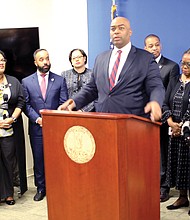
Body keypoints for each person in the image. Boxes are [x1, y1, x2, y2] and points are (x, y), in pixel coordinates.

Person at [58, 17, 165, 123]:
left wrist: (155, 101)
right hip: (103, 122)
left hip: (132, 124)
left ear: (130, 32)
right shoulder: (101, 58)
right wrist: (74, 101)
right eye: (113, 29)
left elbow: (156, 86)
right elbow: (92, 88)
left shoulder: (145, 58)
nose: (116, 32)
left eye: (121, 28)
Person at [22, 49, 68, 201]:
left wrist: (52, 119)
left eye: (47, 59)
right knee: (39, 159)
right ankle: (41, 188)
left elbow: (63, 103)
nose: (45, 62)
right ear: (36, 62)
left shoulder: (60, 80)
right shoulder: (26, 82)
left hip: (56, 129)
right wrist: (38, 119)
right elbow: (26, 105)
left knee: (57, 159)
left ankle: (57, 187)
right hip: (36, 128)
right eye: (41, 59)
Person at [144, 34, 180, 202]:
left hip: (161, 116)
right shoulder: (141, 65)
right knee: (147, 153)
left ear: (161, 46)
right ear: (145, 48)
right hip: (143, 117)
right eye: (150, 46)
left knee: (161, 152)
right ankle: (148, 184)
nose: (154, 48)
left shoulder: (171, 67)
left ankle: (163, 187)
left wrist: (164, 114)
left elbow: (169, 93)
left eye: (157, 45)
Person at [162, 48, 190, 215]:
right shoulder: (175, 80)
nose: (184, 66)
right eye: (183, 62)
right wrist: (171, 122)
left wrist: (182, 125)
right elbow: (165, 103)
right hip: (174, 131)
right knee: (178, 165)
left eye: (188, 63)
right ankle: (182, 197)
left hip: (187, 132)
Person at [0, 50, 26, 205]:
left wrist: (13, 118)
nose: (1, 63)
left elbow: (21, 102)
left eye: (2, 60)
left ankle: (9, 194)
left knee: (9, 161)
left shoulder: (14, 81)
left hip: (8, 130)